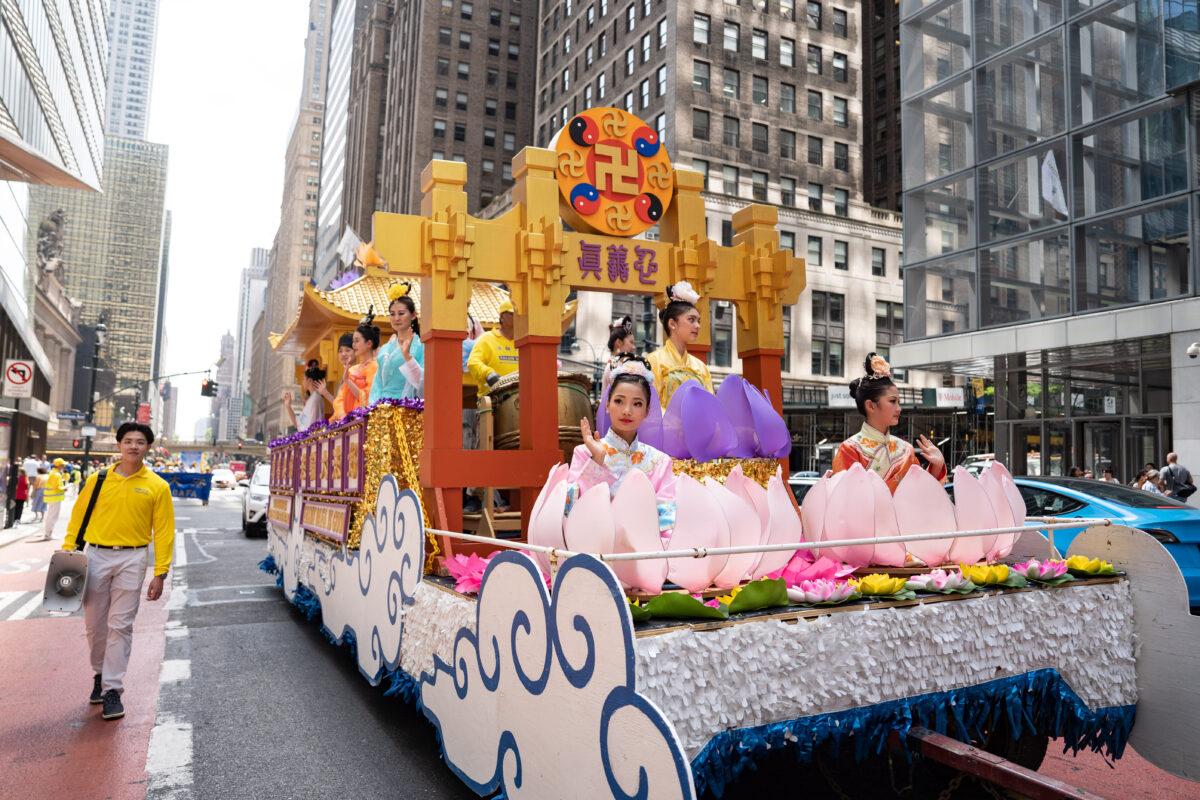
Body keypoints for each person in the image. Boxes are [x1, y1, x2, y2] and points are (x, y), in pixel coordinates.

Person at [59, 422, 174, 721]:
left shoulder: (157, 486)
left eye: (140, 442)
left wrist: (160, 572)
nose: (133, 446)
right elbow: (78, 517)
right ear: (119, 445)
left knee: (121, 625)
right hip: (95, 555)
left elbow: (163, 531)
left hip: (133, 558)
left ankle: (112, 689)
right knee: (95, 625)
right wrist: (69, 548)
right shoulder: (97, 480)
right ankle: (99, 673)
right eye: (128, 441)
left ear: (148, 447)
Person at [564, 357, 676, 536]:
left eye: (637, 403)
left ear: (647, 411)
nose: (627, 410)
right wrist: (597, 460)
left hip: (645, 551)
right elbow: (571, 511)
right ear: (607, 404)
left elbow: (667, 525)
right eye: (619, 401)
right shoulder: (584, 453)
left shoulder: (660, 462)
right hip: (596, 547)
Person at [832, 353, 947, 494]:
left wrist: (936, 466)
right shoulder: (850, 450)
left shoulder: (906, 450)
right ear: (871, 406)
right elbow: (844, 502)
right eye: (892, 401)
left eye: (899, 402)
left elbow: (920, 496)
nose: (899, 408)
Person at [646, 282, 713, 409]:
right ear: (672, 324)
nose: (697, 326)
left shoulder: (701, 367)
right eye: (691, 319)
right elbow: (650, 405)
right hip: (665, 428)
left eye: (698, 321)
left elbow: (710, 405)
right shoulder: (654, 361)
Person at [371, 284, 422, 401]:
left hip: (407, 406)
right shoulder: (385, 349)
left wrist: (407, 356)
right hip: (382, 408)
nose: (396, 318)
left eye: (401, 313)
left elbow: (423, 383)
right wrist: (373, 407)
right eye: (392, 314)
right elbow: (377, 384)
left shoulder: (420, 346)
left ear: (413, 315)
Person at [467, 300, 519, 395]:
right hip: (493, 398)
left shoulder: (523, 342)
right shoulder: (487, 338)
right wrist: (488, 373)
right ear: (502, 317)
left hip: (520, 397)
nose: (518, 317)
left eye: (520, 314)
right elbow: (473, 362)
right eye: (513, 313)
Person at [282, 359, 328, 432]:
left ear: (309, 380)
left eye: (304, 379)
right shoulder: (312, 399)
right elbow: (298, 424)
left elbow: (309, 427)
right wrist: (288, 406)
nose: (302, 382)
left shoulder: (315, 399)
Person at [320, 333, 356, 420]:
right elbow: (339, 404)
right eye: (340, 351)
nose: (343, 354)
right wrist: (325, 392)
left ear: (356, 350)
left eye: (348, 350)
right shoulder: (346, 373)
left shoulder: (356, 372)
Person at [600, 315, 636, 404]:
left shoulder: (621, 364)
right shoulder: (613, 365)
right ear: (619, 343)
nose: (634, 347)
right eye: (631, 342)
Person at [36, 458, 67, 541]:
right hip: (55, 497)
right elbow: (57, 487)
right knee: (53, 516)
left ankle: (48, 533)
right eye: (63, 465)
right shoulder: (56, 474)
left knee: (50, 515)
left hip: (51, 497)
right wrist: (65, 488)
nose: (64, 466)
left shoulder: (53, 473)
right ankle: (48, 534)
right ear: (60, 465)